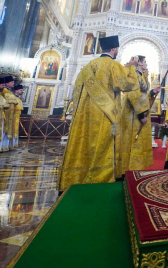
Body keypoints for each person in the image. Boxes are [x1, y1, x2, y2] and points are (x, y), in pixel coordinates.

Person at [58, 35, 140, 191]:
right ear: (114, 49)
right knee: (103, 145)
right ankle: (100, 179)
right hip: (105, 114)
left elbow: (77, 90)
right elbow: (128, 85)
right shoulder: (113, 65)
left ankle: (77, 177)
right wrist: (132, 67)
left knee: (85, 144)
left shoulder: (88, 66)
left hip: (85, 114)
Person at [118, 57, 157, 175]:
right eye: (144, 62)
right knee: (133, 141)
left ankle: (136, 169)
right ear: (139, 63)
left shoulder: (141, 77)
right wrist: (141, 116)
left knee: (137, 141)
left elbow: (142, 96)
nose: (146, 64)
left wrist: (152, 92)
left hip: (137, 114)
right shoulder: (134, 76)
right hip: (133, 116)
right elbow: (133, 95)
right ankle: (129, 170)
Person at [1, 76, 19, 150]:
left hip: (11, 115)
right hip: (5, 114)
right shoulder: (3, 91)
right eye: (11, 82)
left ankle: (6, 146)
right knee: (4, 129)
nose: (13, 83)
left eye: (13, 82)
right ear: (6, 83)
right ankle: (1, 146)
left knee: (9, 130)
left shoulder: (10, 92)